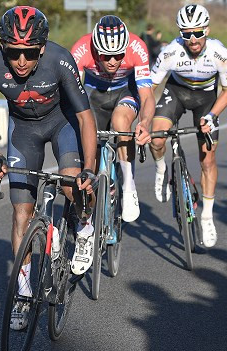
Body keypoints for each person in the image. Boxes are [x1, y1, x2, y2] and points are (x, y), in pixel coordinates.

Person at [0, 6, 98, 328]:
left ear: (41, 48)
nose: (21, 61)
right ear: (3, 47)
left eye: (29, 53)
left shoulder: (59, 60)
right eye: (13, 52)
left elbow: (85, 117)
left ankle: (84, 226)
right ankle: (23, 293)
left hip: (63, 125)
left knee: (72, 183)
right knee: (20, 213)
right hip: (24, 133)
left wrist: (89, 167)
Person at [149, 4, 227, 248]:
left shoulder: (220, 53)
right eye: (187, 34)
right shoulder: (170, 52)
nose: (193, 39)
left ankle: (207, 216)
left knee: (207, 159)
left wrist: (213, 116)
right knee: (157, 138)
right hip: (176, 93)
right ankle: (161, 169)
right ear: (180, 34)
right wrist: (144, 119)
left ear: (206, 30)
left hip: (207, 98)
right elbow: (150, 88)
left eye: (197, 33)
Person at [70, 15, 154, 223]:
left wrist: (145, 123)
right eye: (106, 56)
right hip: (93, 93)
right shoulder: (81, 49)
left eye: (118, 55)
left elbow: (147, 96)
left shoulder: (137, 47)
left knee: (120, 121)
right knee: (90, 143)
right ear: (96, 49)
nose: (113, 61)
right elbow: (72, 95)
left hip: (124, 91)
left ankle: (129, 185)